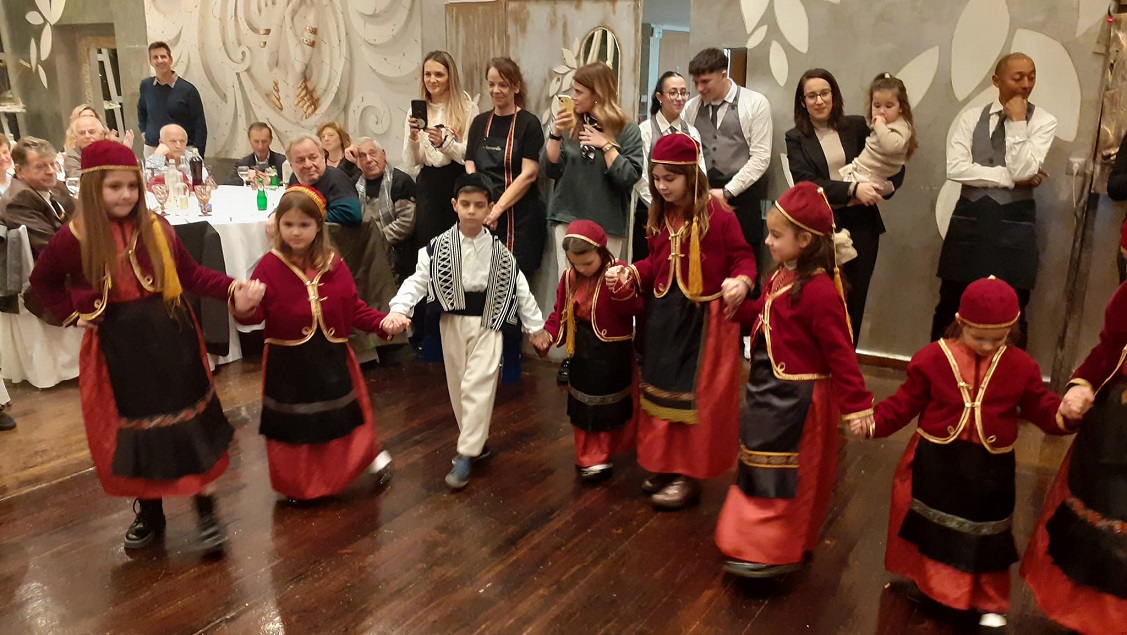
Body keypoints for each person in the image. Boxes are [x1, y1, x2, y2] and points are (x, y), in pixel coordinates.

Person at [28, 140, 264, 552]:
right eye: (114, 187)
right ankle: (150, 511)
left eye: (131, 186)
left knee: (187, 427)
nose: (125, 195)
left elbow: (191, 275)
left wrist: (232, 288)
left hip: (172, 336)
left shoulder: (158, 227)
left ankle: (206, 509)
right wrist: (72, 313)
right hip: (118, 346)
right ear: (93, 189)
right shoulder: (74, 238)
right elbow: (42, 282)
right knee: (136, 430)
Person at [851, 277, 1069, 628]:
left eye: (998, 339)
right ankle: (938, 591)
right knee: (936, 530)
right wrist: (874, 423)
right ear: (960, 322)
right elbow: (904, 403)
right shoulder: (931, 359)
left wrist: (1064, 415)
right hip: (938, 461)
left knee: (988, 536)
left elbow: (1041, 407)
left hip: (991, 469)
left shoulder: (1021, 367)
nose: (987, 346)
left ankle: (988, 599)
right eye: (978, 337)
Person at [715, 182, 873, 578]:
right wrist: (738, 305)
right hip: (766, 392)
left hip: (800, 402)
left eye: (776, 235)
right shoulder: (780, 276)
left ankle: (775, 546)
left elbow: (841, 352)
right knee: (759, 466)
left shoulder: (820, 292)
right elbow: (766, 315)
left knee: (788, 475)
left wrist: (857, 406)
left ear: (804, 240)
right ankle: (749, 540)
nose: (767, 241)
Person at [605, 133, 756, 509]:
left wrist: (741, 282)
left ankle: (688, 474)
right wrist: (630, 273)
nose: (661, 186)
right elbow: (655, 264)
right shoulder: (660, 216)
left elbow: (743, 257)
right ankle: (665, 464)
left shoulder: (717, 214)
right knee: (660, 393)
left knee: (695, 401)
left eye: (669, 179)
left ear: (690, 174)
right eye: (656, 179)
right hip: (664, 318)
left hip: (705, 323)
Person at [381, 173, 550, 490]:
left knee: (477, 385)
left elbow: (520, 289)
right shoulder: (435, 248)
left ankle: (465, 453)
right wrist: (399, 308)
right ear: (454, 205)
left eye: (479, 205)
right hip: (451, 324)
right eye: (466, 204)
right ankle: (476, 442)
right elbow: (417, 281)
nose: (472, 211)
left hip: (489, 323)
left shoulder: (501, 252)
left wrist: (535, 327)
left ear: (489, 208)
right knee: (459, 388)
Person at [233, 186, 393, 501]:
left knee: (344, 415)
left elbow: (353, 307)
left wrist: (382, 323)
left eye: (304, 225)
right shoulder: (268, 266)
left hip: (331, 355)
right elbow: (255, 316)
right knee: (295, 426)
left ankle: (365, 458)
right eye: (288, 224)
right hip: (288, 363)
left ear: (318, 226)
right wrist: (244, 307)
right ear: (277, 225)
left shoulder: (333, 263)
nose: (295, 232)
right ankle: (299, 485)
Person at [1021, 281, 1127, 634]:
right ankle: (1093, 622)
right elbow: (1109, 350)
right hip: (1115, 433)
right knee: (1103, 527)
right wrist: (1081, 385)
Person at [932, 53, 1056, 347]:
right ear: (997, 81)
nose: (1026, 84)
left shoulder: (1043, 121)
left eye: (1032, 77)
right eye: (1018, 78)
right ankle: (938, 369)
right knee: (950, 305)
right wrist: (1010, 178)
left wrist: (1017, 122)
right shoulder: (971, 117)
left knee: (1014, 310)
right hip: (968, 225)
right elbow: (956, 169)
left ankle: (1007, 374)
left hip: (1015, 227)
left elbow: (1024, 169)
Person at [786, 68, 906, 345]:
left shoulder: (857, 126)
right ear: (803, 102)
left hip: (863, 224)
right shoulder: (796, 137)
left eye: (824, 93)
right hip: (821, 227)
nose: (819, 100)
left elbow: (893, 164)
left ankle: (846, 362)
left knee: (854, 300)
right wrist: (852, 189)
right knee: (820, 299)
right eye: (811, 96)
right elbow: (806, 182)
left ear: (834, 96)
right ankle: (816, 363)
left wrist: (884, 187)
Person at [544, 62, 643, 383]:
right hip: (568, 216)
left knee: (604, 291)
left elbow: (629, 176)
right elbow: (550, 168)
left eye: (579, 91)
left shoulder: (626, 129)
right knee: (571, 289)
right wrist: (555, 133)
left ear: (598, 93)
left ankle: (606, 351)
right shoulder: (570, 124)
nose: (573, 97)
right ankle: (572, 355)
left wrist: (607, 145)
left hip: (606, 222)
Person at [537, 219, 643, 481]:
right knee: (582, 407)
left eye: (588, 263)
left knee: (607, 408)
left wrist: (621, 289)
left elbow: (634, 309)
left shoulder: (618, 273)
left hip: (611, 354)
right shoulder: (569, 277)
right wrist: (548, 335)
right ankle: (586, 455)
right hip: (581, 350)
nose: (582, 269)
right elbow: (560, 311)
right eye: (576, 264)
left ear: (602, 252)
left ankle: (601, 456)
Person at [683, 48, 772, 258]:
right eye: (696, 82)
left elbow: (761, 157)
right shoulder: (691, 108)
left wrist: (728, 191)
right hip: (701, 198)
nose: (699, 88)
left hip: (742, 197)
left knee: (743, 259)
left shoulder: (755, 103)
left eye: (705, 81)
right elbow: (686, 153)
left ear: (724, 74)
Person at [465, 57, 546, 277]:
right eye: (491, 84)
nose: (496, 90)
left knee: (513, 283)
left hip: (519, 220)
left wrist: (497, 209)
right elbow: (470, 163)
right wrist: (482, 203)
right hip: (484, 214)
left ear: (516, 87)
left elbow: (529, 173)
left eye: (503, 85)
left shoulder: (528, 123)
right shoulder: (479, 123)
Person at [403, 51, 478, 249]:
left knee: (460, 247)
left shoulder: (467, 109)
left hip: (457, 182)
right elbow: (411, 161)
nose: (432, 80)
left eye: (439, 74)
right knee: (430, 248)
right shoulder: (415, 112)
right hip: (428, 185)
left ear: (450, 77)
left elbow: (470, 155)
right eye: (427, 74)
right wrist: (413, 138)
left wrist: (445, 145)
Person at [633, 71, 705, 263]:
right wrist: (659, 204)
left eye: (683, 92)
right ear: (660, 97)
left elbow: (700, 172)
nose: (679, 98)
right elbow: (641, 175)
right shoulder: (645, 130)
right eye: (673, 92)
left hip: (686, 212)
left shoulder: (692, 132)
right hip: (650, 210)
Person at [838, 73, 918, 188]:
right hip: (861, 170)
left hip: (871, 177)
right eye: (877, 105)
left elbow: (891, 146)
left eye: (889, 106)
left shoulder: (902, 127)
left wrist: (880, 125)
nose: (881, 111)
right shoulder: (877, 124)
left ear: (901, 107)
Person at [354, 137, 417, 283]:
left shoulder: (400, 181)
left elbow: (406, 223)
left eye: (372, 153)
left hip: (397, 254)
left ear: (383, 154)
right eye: (362, 156)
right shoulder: (354, 184)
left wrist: (376, 239)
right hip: (364, 253)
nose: (369, 160)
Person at [1, 137, 75, 257]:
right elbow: (53, 249)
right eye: (40, 167)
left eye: (52, 164)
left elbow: (82, 216)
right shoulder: (19, 201)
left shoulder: (55, 186)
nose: (51, 171)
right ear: (20, 171)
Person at [137, 41, 207, 157]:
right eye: (155, 57)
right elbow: (141, 110)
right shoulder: (146, 86)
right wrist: (145, 133)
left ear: (170, 60)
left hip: (181, 151)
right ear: (150, 61)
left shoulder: (188, 90)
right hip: (153, 149)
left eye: (163, 56)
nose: (160, 60)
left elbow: (199, 125)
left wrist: (198, 155)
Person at [285, 135, 362, 225]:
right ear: (291, 165)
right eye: (300, 160)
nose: (308, 165)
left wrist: (305, 220)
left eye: (313, 157)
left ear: (322, 157)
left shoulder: (336, 178)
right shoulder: (294, 178)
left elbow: (352, 213)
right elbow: (286, 207)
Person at [226, 122, 286, 186]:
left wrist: (272, 181)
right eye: (256, 141)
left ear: (270, 140)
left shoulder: (283, 162)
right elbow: (228, 183)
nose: (260, 146)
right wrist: (248, 178)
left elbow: (291, 183)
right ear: (250, 141)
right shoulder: (243, 163)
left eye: (264, 141)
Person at [63, 114, 107, 180]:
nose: (87, 136)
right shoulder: (72, 157)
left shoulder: (111, 152)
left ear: (102, 135)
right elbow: (81, 182)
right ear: (75, 137)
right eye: (82, 133)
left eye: (91, 132)